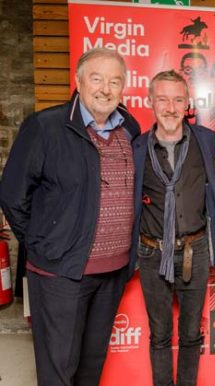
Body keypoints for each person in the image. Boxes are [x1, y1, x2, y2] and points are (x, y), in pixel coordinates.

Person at [0, 47, 140, 385]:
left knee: (91, 367)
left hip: (113, 272)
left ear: (123, 88)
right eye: (96, 79)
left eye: (114, 81)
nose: (106, 88)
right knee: (59, 369)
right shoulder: (46, 127)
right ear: (78, 81)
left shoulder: (129, 128)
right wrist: (44, 245)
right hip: (60, 273)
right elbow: (12, 194)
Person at [132, 70, 215, 386]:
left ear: (188, 103)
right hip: (150, 250)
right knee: (159, 333)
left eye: (177, 99)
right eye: (162, 99)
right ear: (150, 102)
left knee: (189, 334)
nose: (170, 107)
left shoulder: (207, 141)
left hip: (194, 252)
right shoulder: (137, 148)